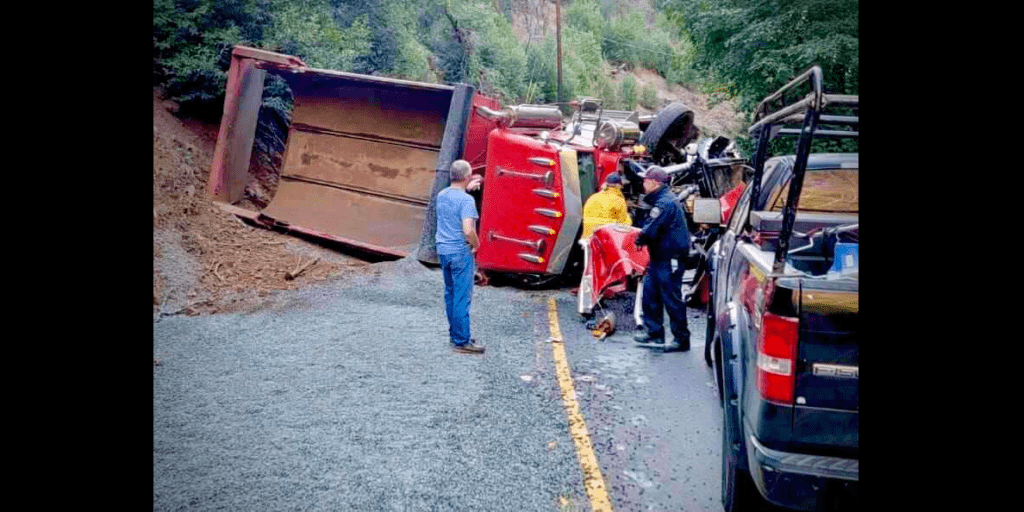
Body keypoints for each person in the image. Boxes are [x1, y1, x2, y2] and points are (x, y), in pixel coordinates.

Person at [633, 166, 691, 352]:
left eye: (645, 180)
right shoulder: (663, 200)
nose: (643, 183)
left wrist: (639, 239)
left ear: (655, 183)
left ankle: (681, 339)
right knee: (650, 294)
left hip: (670, 257)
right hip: (660, 257)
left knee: (671, 297)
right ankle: (655, 333)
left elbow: (652, 227)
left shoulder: (664, 204)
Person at [435, 160, 485, 354]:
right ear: (466, 177)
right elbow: (467, 229)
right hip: (460, 251)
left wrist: (467, 189)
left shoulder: (441, 195)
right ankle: (462, 341)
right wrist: (476, 244)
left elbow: (453, 202)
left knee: (450, 294)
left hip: (443, 250)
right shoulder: (466, 201)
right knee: (462, 297)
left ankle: (455, 335)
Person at [581, 172, 632, 238]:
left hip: (587, 237)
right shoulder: (618, 200)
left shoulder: (593, 197)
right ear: (619, 185)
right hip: (603, 238)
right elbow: (622, 222)